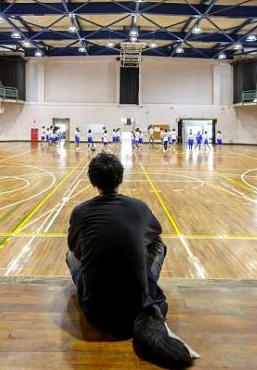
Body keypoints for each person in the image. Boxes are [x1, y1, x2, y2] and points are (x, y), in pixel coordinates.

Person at [66, 153, 194, 368]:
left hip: (97, 314)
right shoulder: (139, 207)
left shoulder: (80, 212)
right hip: (136, 309)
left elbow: (74, 248)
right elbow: (155, 233)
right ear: (120, 178)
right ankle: (147, 288)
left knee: (71, 256)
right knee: (158, 243)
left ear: (92, 180)